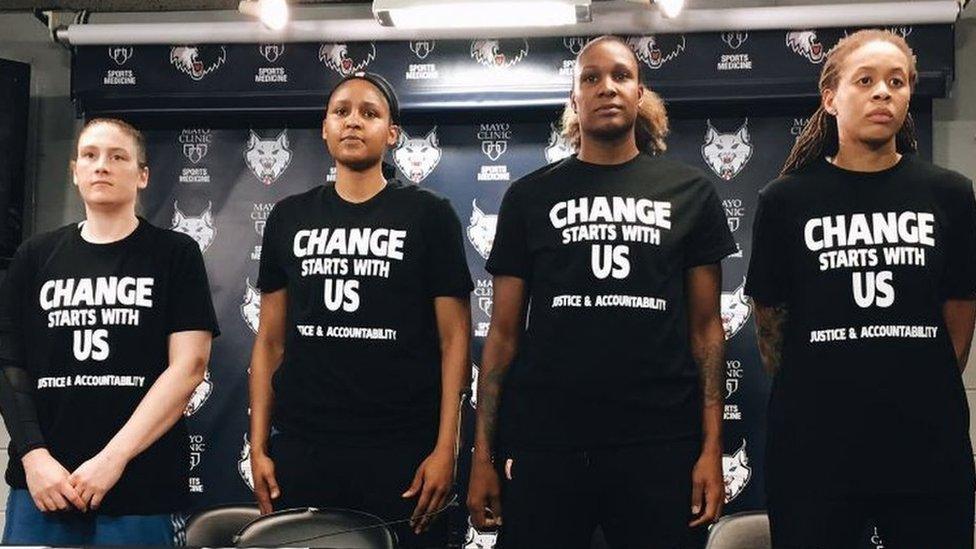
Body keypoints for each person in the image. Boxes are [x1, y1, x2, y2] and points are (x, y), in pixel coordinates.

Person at [466, 35, 735, 549]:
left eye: (620, 76)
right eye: (590, 78)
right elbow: (501, 337)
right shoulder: (529, 197)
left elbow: (706, 332)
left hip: (658, 442)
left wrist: (711, 450)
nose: (606, 87)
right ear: (574, 99)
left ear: (640, 94)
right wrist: (482, 459)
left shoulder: (691, 192)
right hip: (548, 444)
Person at [746, 29, 976, 548]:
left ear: (909, 96)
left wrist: (921, 377)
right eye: (865, 80)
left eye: (897, 82)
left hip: (926, 444)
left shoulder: (950, 194)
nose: (883, 93)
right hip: (814, 446)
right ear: (830, 98)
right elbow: (770, 317)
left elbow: (960, 307)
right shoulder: (785, 200)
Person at [248, 71, 473, 549]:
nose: (354, 121)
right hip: (306, 447)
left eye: (370, 113)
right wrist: (259, 444)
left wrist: (445, 450)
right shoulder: (289, 216)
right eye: (341, 112)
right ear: (325, 127)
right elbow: (269, 340)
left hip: (401, 449)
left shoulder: (430, 215)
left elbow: (455, 340)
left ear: (392, 134)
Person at [0, 118, 219, 545]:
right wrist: (34, 456)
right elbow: (9, 365)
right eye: (90, 155)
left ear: (142, 175)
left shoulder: (175, 254)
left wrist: (112, 460)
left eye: (117, 157)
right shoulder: (34, 256)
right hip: (42, 487)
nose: (101, 166)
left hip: (140, 488)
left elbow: (189, 367)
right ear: (75, 171)